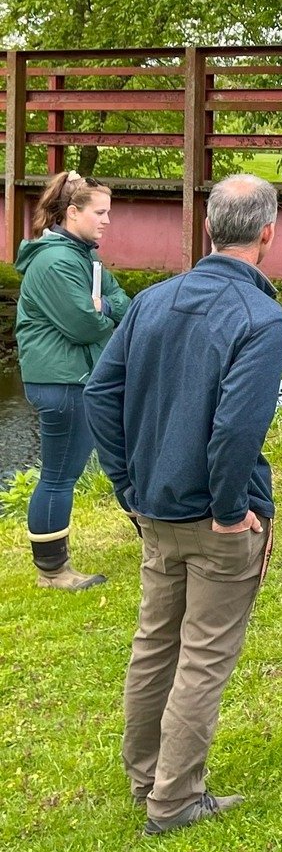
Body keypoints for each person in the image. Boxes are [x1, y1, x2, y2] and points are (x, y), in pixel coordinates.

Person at [84, 175, 282, 836]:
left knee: (154, 647)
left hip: (157, 511)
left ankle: (148, 778)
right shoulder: (261, 318)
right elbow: (235, 430)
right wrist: (230, 509)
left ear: (208, 231)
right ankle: (172, 801)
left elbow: (99, 396)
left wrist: (130, 486)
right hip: (211, 518)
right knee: (200, 656)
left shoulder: (154, 301)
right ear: (267, 234)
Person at [14, 171, 131, 589]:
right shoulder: (56, 260)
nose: (106, 221)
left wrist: (104, 309)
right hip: (62, 381)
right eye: (99, 212)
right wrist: (101, 313)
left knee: (91, 465)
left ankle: (153, 537)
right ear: (72, 212)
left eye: (108, 212)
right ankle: (52, 571)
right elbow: (84, 324)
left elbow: (122, 303)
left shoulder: (84, 256)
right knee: (59, 475)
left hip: (78, 377)